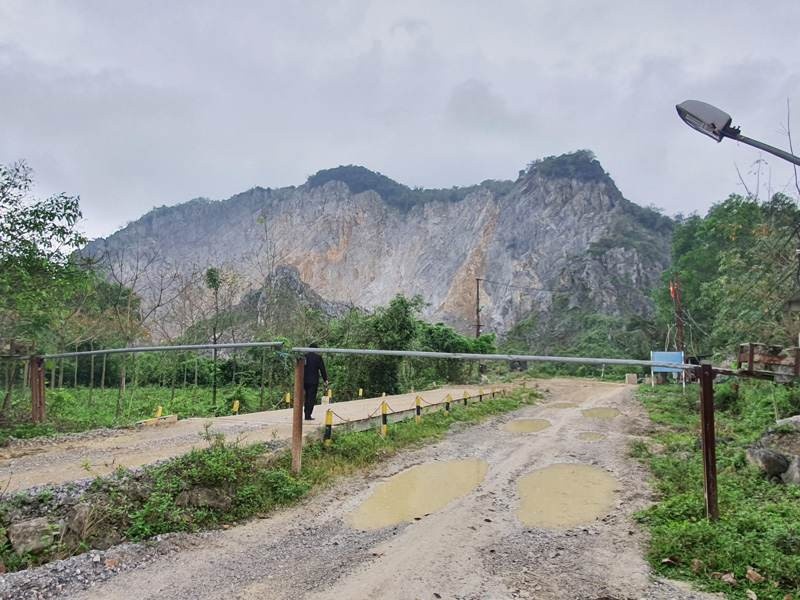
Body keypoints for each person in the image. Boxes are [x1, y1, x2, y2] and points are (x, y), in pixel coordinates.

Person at [303, 343, 328, 420]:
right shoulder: (318, 358)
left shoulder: (305, 357)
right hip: (313, 381)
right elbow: (322, 369)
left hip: (305, 381)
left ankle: (306, 413)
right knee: (311, 398)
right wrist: (325, 379)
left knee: (306, 397)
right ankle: (308, 415)